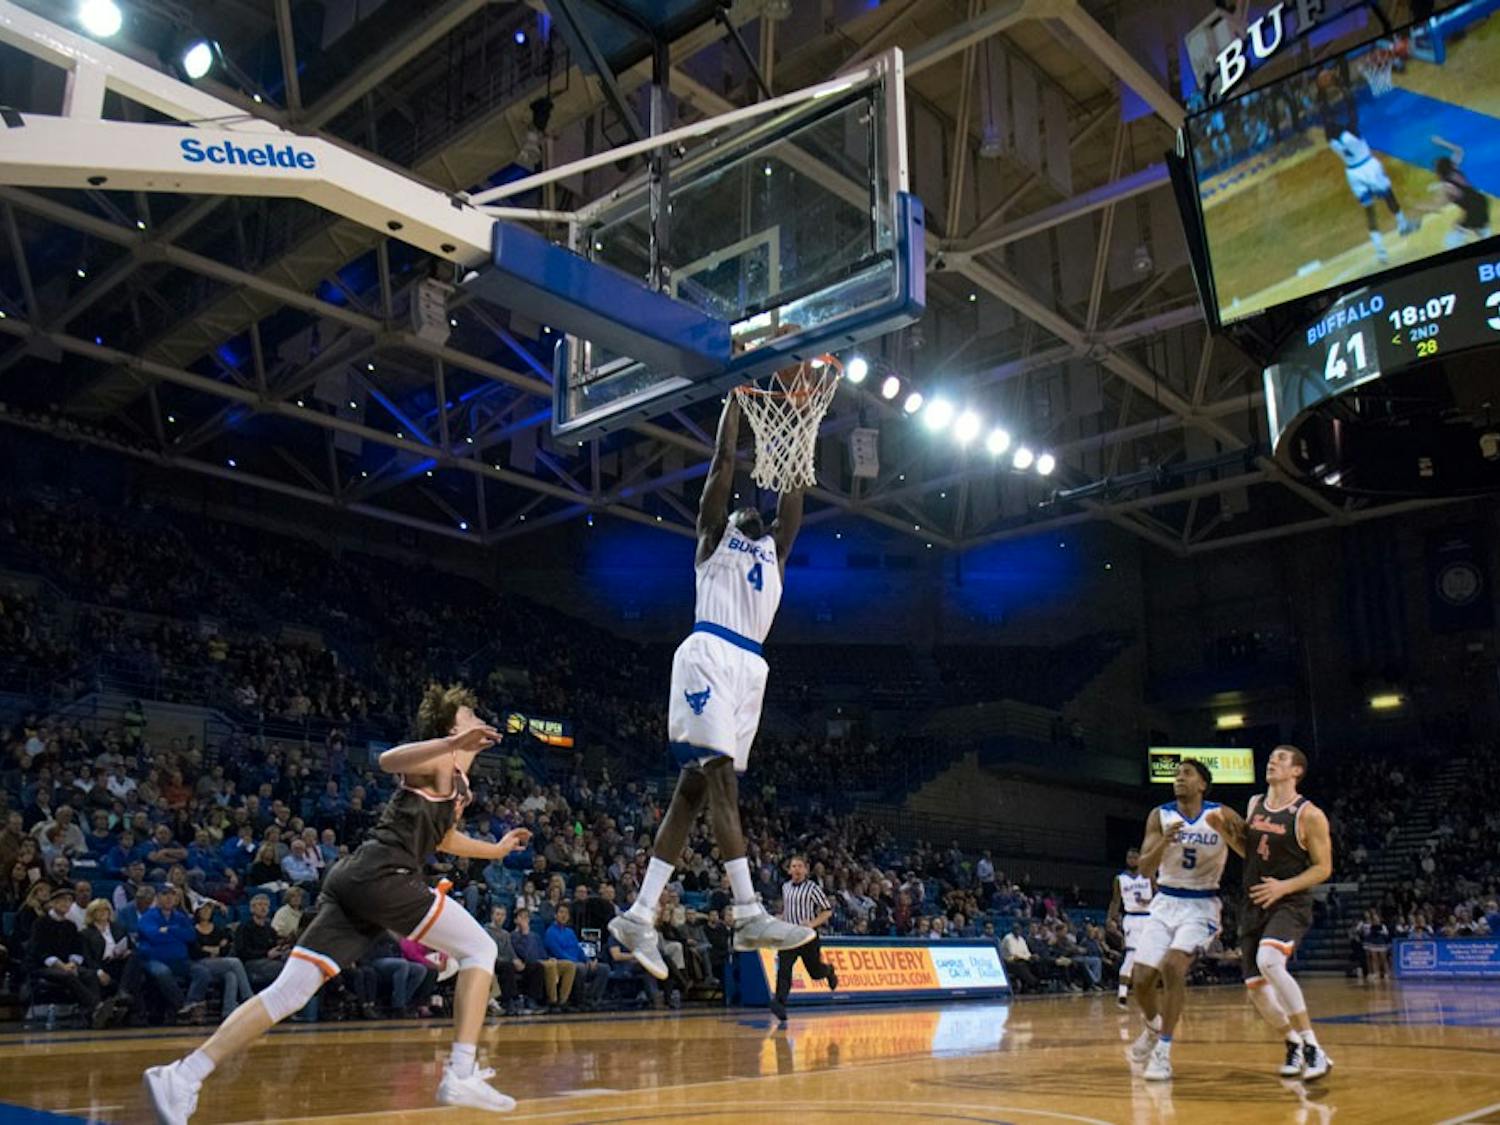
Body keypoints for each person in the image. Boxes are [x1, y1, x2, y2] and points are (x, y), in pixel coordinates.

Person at [143, 683, 532, 1120]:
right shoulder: (439, 760)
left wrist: (496, 850)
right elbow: (387, 761)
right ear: (449, 728)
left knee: (289, 992)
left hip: (360, 883)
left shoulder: (459, 783)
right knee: (481, 948)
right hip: (384, 876)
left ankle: (182, 1075)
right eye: (468, 715)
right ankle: (460, 1072)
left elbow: (442, 838)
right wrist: (451, 744)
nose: (478, 718)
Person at [609, 390, 815, 979]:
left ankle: (640, 912)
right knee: (720, 780)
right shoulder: (711, 542)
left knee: (692, 793)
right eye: (735, 509)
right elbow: (723, 462)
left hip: (750, 669)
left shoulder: (775, 552)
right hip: (709, 653)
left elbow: (796, 491)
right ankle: (748, 910)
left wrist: (797, 429)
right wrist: (738, 401)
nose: (745, 509)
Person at [1216, 746, 1335, 1081]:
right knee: (1255, 987)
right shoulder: (1254, 804)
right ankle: (1293, 1043)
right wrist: (1226, 833)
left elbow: (1323, 868)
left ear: (1296, 771)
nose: (1272, 761)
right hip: (1253, 901)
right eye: (1270, 758)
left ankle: (1314, 1047)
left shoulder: (1308, 814)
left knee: (1270, 962)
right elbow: (1249, 854)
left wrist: (1284, 887)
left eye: (1281, 759)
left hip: (1289, 901)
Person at [1128, 759, 1227, 1082]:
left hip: (1201, 904)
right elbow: (1143, 869)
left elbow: (1248, 848)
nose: (1178, 779)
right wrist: (1163, 842)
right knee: (1140, 980)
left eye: (1187, 774)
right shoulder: (1160, 815)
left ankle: (1163, 1053)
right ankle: (1154, 1027)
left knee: (1173, 967)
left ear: (1202, 784)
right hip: (1165, 902)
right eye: (1176, 775)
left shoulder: (1220, 815)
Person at [28, 885, 121, 1028]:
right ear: (52, 903)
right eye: (61, 901)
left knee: (90, 975)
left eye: (68, 901)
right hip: (42, 967)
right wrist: (62, 966)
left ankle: (92, 1016)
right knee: (67, 976)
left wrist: (72, 963)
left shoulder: (70, 925)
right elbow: (40, 952)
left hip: (67, 965)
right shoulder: (40, 923)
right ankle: (98, 1007)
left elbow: (76, 950)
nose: (65, 904)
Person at [1324, 122, 1416, 265]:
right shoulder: (1351, 136)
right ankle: (1403, 225)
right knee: (1389, 196)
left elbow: (1329, 132)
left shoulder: (1332, 143)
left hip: (1353, 173)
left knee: (1369, 211)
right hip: (1368, 166)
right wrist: (1348, 101)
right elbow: (1352, 118)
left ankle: (1380, 251)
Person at [768, 855, 839, 1022]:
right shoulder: (785, 887)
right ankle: (780, 1003)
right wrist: (780, 919)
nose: (797, 869)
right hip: (789, 935)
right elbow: (788, 910)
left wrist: (812, 923)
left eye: (800, 866)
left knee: (815, 973)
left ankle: (829, 970)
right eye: (793, 866)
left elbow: (827, 910)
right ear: (789, 870)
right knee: (784, 970)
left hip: (807, 937)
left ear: (806, 870)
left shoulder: (812, 888)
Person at [1108, 847, 1154, 1009]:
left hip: (1149, 917)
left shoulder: (1149, 875)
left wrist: (1149, 903)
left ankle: (1148, 990)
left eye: (1135, 857)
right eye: (1129, 857)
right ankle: (1122, 994)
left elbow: (1160, 897)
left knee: (1151, 956)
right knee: (1131, 955)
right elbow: (1115, 901)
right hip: (1132, 919)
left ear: (1140, 859)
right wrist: (1110, 918)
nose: (1132, 860)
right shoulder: (1120, 879)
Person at [1426, 136, 1492, 248]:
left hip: (1475, 207)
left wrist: (1434, 192)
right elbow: (1458, 150)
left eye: (1435, 168)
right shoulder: (1454, 168)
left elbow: (1440, 204)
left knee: (1451, 242)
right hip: (1481, 201)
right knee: (1479, 231)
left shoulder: (1446, 184)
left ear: (1439, 171)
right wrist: (1441, 142)